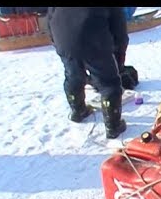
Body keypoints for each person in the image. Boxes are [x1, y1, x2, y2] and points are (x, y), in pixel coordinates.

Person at [47, 7, 128, 139]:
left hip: (63, 39)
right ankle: (113, 126)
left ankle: (78, 111)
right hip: (93, 42)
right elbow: (119, 31)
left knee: (73, 76)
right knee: (109, 84)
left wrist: (56, 42)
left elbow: (49, 18)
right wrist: (119, 61)